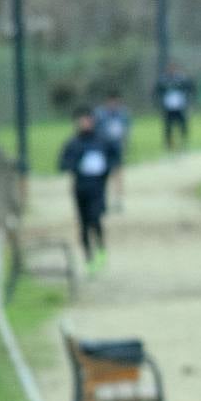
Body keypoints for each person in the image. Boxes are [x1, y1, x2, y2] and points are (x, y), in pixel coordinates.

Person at [58, 106, 120, 273]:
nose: (85, 123)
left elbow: (114, 158)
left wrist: (107, 168)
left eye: (88, 120)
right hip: (81, 187)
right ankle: (88, 258)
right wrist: (77, 165)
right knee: (84, 224)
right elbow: (63, 163)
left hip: (97, 188)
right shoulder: (73, 143)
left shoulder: (102, 141)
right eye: (82, 120)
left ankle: (100, 249)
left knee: (95, 219)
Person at [93, 89, 130, 210]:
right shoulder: (100, 114)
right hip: (103, 147)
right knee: (101, 175)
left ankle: (118, 200)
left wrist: (125, 145)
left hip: (116, 147)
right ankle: (101, 200)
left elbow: (126, 131)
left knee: (118, 173)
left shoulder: (123, 114)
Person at [154, 62, 195, 151]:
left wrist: (187, 98)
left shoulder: (181, 78)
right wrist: (160, 101)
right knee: (168, 125)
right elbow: (157, 90)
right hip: (168, 106)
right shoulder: (163, 80)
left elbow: (190, 88)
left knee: (182, 124)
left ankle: (183, 141)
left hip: (180, 105)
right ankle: (169, 143)